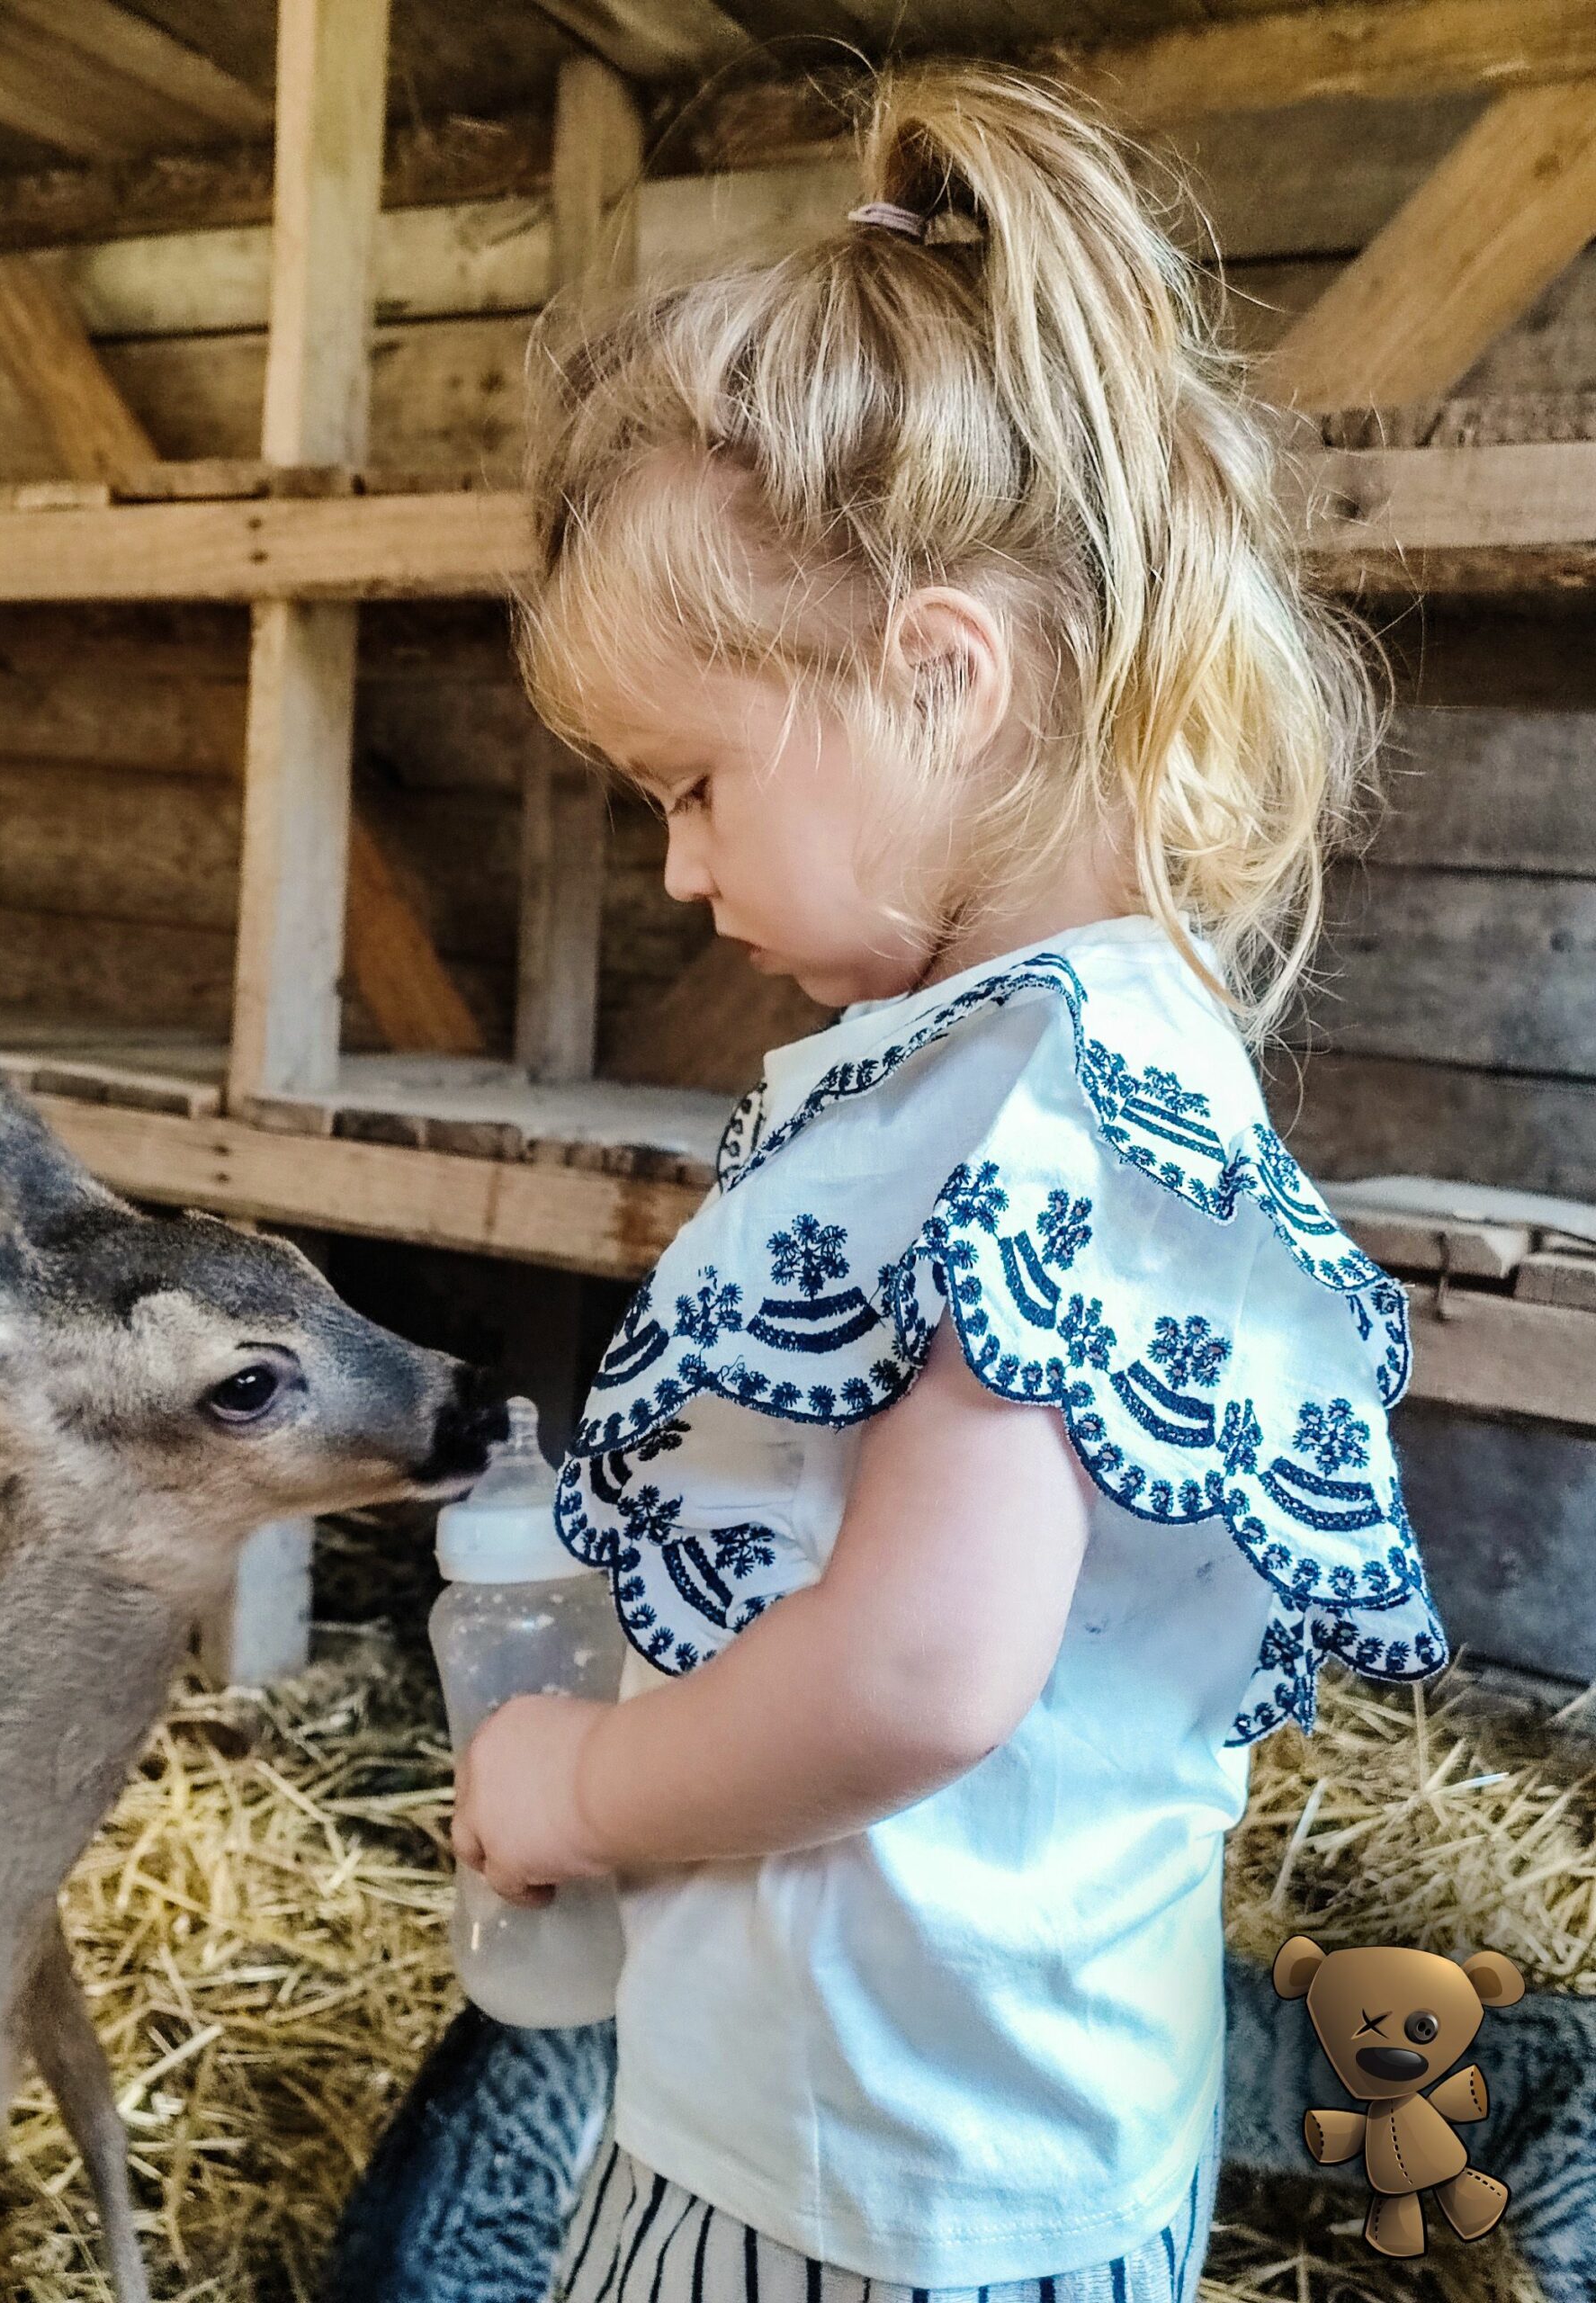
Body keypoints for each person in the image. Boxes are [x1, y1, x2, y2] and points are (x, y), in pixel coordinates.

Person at [449, 61, 1450, 2303]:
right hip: (940, 2120)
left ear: (940, 674)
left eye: (691, 784)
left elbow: (911, 1667)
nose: (684, 871)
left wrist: (575, 1788)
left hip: (868, 2186)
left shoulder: (1036, 1097)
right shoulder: (1079, 1049)